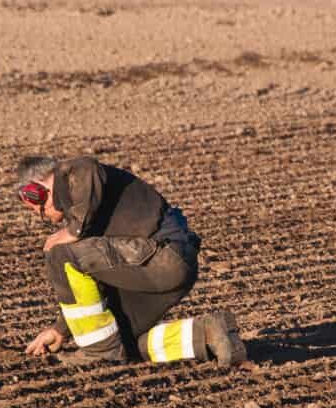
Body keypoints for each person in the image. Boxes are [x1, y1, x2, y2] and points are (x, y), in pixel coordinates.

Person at [16, 155, 247, 367]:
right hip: (168, 266)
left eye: (42, 211)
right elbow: (90, 287)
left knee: (60, 253)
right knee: (118, 340)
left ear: (39, 189)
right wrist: (60, 330)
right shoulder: (87, 210)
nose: (43, 217)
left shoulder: (73, 173)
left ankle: (99, 353)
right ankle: (208, 334)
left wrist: (74, 232)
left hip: (162, 255)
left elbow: (88, 166)